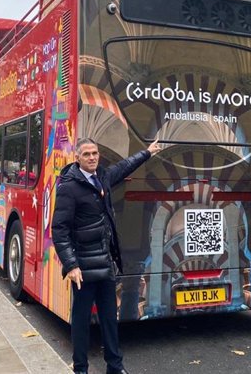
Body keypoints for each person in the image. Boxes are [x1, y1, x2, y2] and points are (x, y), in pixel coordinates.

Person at [52, 138, 161, 374]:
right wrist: (71, 265)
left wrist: (147, 153)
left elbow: (123, 167)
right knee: (81, 322)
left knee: (110, 319)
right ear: (77, 158)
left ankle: (115, 366)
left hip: (106, 263)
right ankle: (80, 368)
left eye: (95, 153)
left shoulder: (102, 178)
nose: (92, 157)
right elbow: (59, 229)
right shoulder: (69, 187)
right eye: (87, 154)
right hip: (83, 268)